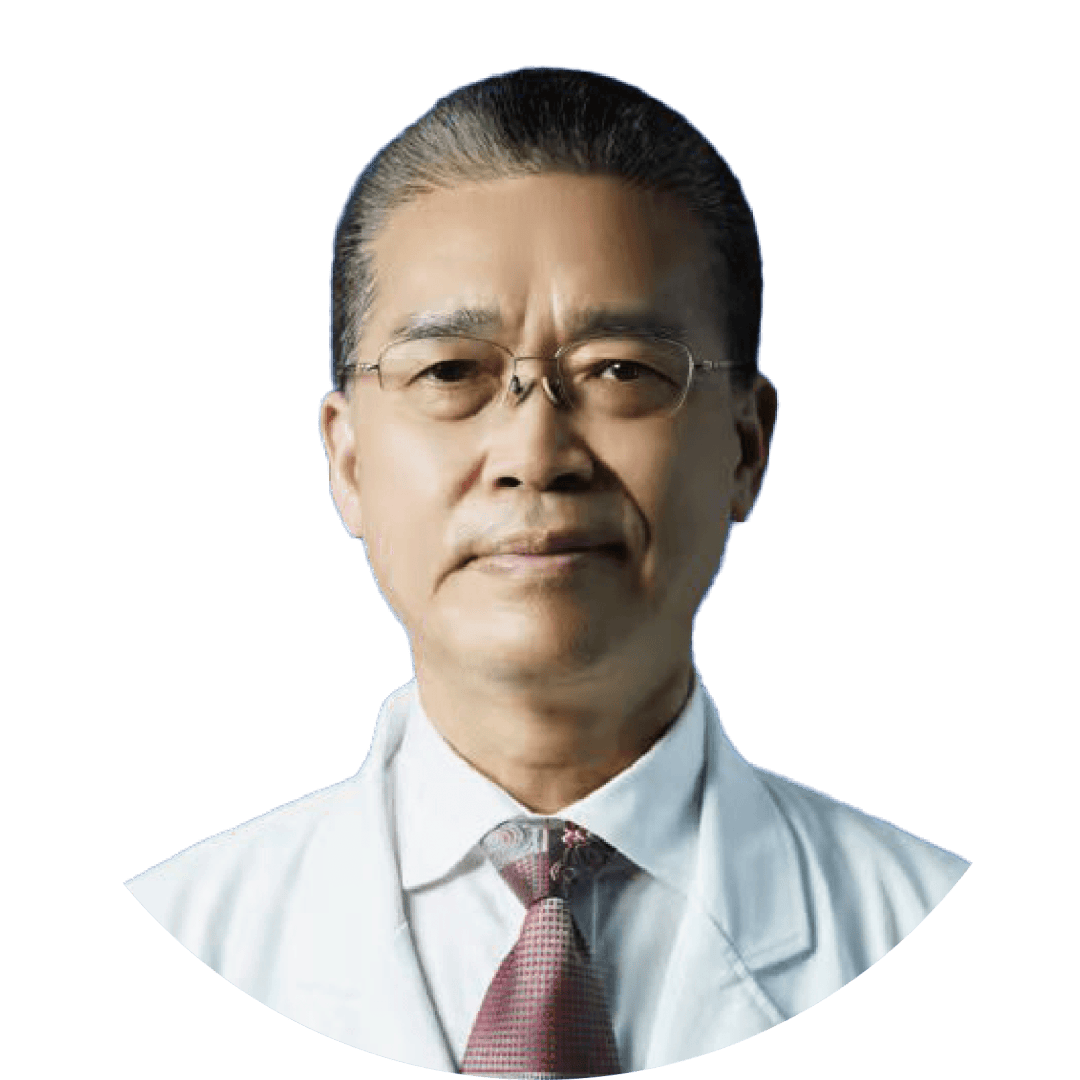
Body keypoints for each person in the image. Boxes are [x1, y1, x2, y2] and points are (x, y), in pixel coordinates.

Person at [125, 66, 970, 1075]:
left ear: (746, 448)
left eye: (620, 369)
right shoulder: (171, 939)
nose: (535, 452)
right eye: (450, 372)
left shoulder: (944, 933)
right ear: (348, 463)